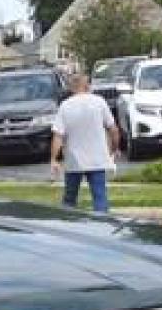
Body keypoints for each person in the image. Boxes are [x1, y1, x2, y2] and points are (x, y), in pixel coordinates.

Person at [49, 73, 119, 213]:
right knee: (100, 197)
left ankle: (67, 226)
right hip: (97, 159)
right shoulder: (99, 102)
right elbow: (113, 129)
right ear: (87, 85)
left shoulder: (65, 106)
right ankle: (102, 226)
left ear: (71, 87)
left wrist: (54, 159)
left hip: (74, 160)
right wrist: (113, 149)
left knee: (69, 199)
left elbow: (58, 136)